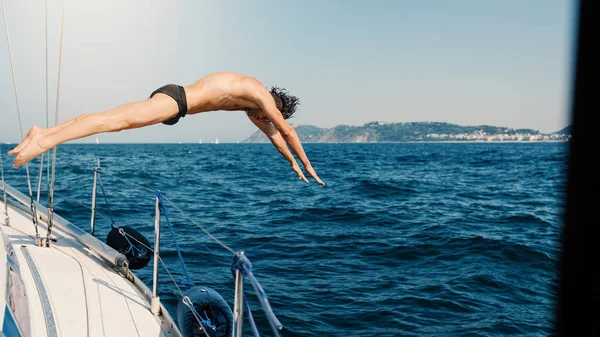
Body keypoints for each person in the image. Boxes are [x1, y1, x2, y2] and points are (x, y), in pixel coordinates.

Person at [8, 72, 324, 185]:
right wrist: (310, 165)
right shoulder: (258, 94)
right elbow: (286, 132)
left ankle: (44, 132)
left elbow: (276, 139)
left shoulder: (248, 103)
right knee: (114, 122)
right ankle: (46, 141)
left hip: (176, 103)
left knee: (112, 117)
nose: (263, 122)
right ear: (272, 106)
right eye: (266, 116)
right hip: (177, 101)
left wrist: (294, 166)